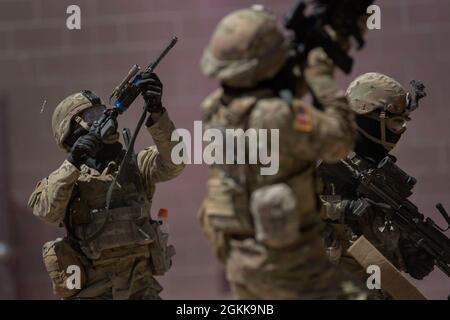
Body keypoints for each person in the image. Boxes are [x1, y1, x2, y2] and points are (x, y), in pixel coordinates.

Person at [198, 5, 367, 299]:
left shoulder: (217, 110)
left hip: (242, 262)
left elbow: (268, 96)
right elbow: (340, 139)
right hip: (291, 267)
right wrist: (321, 75)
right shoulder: (281, 115)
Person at [28, 72, 185, 299]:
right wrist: (74, 161)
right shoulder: (67, 180)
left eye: (101, 111)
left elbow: (174, 163)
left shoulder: (135, 164)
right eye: (91, 116)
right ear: (72, 133)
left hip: (142, 290)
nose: (102, 118)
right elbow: (47, 211)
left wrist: (157, 112)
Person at [318, 72, 434, 299]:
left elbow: (372, 231)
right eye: (395, 122)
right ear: (369, 117)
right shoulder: (322, 153)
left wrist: (406, 249)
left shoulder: (373, 169)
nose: (401, 131)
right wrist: (341, 208)